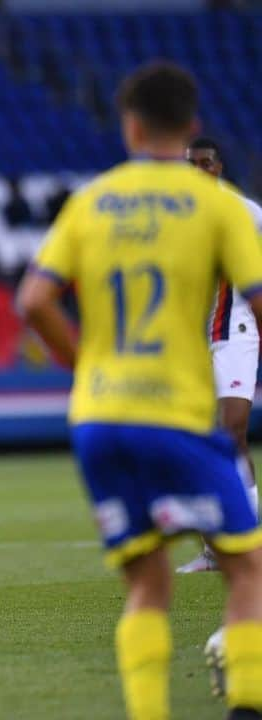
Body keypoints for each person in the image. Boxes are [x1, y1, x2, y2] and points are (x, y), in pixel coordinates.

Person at [16, 62, 262, 720]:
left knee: (146, 583)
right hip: (177, 414)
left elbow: (34, 300)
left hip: (99, 418)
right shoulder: (219, 205)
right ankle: (246, 704)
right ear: (193, 127)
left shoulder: (91, 201)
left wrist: (84, 366)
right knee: (248, 569)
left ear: (129, 126)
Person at [177, 136, 262, 574]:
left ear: (219, 166)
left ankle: (249, 538)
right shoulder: (175, 214)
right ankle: (214, 549)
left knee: (232, 430)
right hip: (192, 335)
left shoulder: (240, 210)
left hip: (236, 327)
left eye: (205, 163)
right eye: (190, 163)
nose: (198, 170)